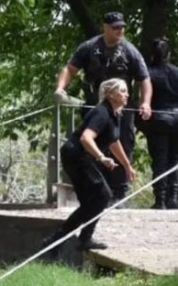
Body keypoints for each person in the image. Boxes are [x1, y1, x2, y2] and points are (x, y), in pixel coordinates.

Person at [54, 11, 152, 203]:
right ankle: (98, 191)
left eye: (122, 27)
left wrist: (145, 102)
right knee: (93, 146)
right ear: (105, 28)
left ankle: (119, 194)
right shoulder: (89, 47)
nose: (120, 31)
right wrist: (60, 88)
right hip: (94, 106)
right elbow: (70, 69)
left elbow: (144, 79)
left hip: (120, 110)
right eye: (115, 27)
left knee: (122, 144)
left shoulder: (130, 51)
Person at [42, 78, 137, 253]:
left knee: (90, 203)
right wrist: (101, 158)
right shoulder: (101, 112)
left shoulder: (114, 114)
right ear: (110, 94)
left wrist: (126, 166)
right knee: (103, 195)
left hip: (80, 157)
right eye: (122, 91)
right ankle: (80, 239)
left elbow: (113, 142)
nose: (127, 94)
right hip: (75, 156)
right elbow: (86, 138)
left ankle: (54, 243)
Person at [143, 38, 178, 209]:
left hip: (159, 118)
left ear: (152, 54)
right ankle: (173, 198)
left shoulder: (148, 73)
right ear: (169, 54)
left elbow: (143, 97)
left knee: (159, 159)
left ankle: (160, 200)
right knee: (174, 158)